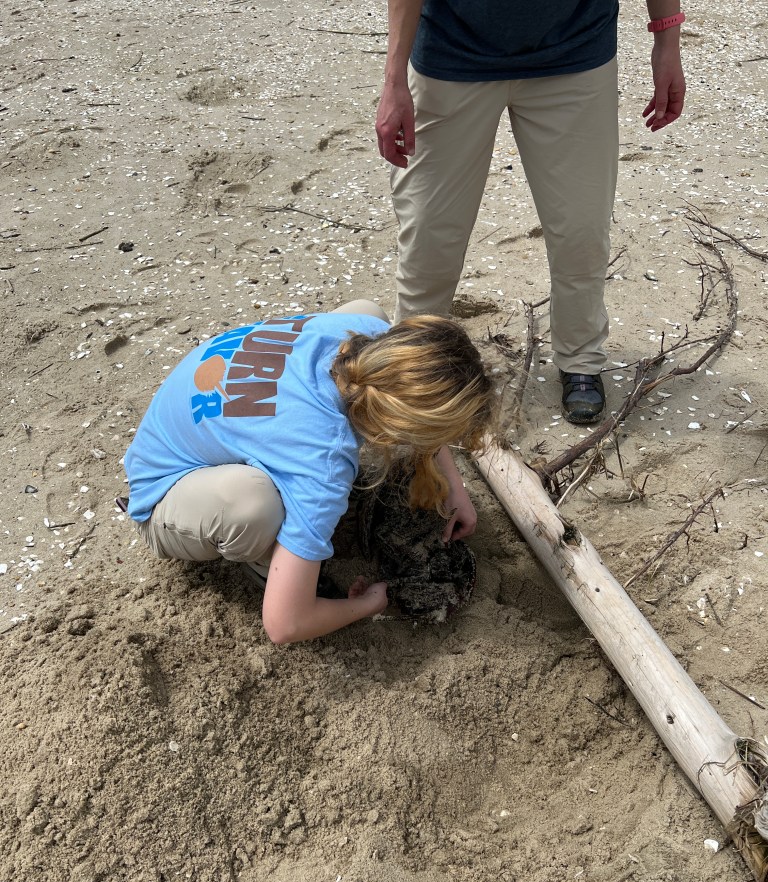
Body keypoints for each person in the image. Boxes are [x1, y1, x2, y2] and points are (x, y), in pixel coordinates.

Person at [375, 1, 686, 425]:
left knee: (582, 228)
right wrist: (394, 80)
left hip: (575, 55)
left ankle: (581, 358)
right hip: (451, 57)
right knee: (429, 234)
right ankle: (416, 362)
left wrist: (667, 41)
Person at [122, 300, 494, 645]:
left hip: (186, 423)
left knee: (369, 305)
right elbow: (284, 625)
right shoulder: (324, 463)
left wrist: (454, 487)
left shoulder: (365, 335)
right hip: (163, 493)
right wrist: (370, 603)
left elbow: (410, 397)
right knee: (252, 506)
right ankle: (265, 562)